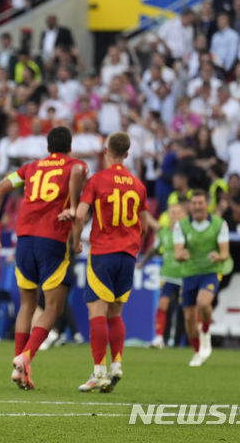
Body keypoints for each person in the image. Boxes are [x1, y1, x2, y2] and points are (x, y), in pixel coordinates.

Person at [0, 126, 87, 390]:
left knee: (27, 304)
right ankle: (26, 357)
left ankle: (19, 367)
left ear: (47, 147)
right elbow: (78, 175)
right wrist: (76, 236)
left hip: (25, 239)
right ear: (70, 147)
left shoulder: (30, 169)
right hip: (52, 239)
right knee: (53, 306)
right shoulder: (75, 165)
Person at [72, 132, 153, 393]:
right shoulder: (138, 185)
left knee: (97, 312)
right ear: (127, 154)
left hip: (103, 253)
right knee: (115, 313)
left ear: (106, 151)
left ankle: (98, 372)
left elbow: (81, 214)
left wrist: (76, 240)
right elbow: (143, 224)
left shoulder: (97, 180)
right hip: (128, 255)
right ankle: (116, 364)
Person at [174, 190, 230, 367]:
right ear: (190, 206)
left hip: (210, 271)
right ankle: (198, 352)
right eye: (194, 203)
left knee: (203, 303)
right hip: (189, 274)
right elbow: (177, 253)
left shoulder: (219, 224)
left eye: (201, 203)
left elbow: (225, 253)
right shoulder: (180, 226)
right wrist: (182, 255)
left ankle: (205, 331)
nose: (197, 206)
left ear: (207, 204)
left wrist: (218, 257)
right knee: (189, 318)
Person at [139, 204, 187, 349]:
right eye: (171, 212)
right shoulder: (164, 233)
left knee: (185, 310)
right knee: (163, 305)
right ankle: (159, 337)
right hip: (168, 275)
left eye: (177, 212)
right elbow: (154, 249)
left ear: (183, 215)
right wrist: (142, 262)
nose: (174, 215)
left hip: (185, 276)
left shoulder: (187, 233)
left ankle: (186, 341)